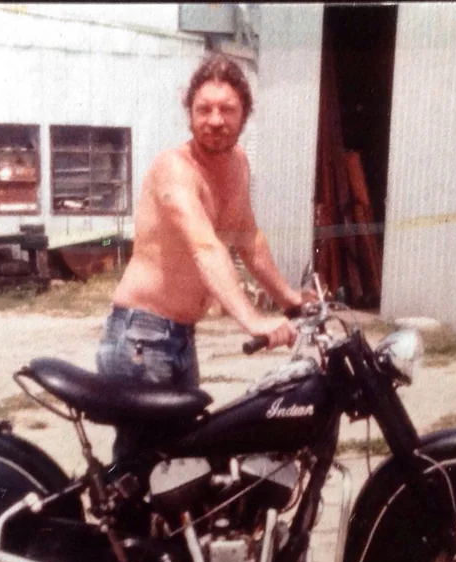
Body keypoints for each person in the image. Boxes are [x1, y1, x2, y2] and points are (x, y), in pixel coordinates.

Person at [97, 54, 307, 391]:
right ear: (190, 114)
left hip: (179, 335)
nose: (215, 119)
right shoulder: (174, 169)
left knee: (183, 444)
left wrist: (289, 299)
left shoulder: (238, 163)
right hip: (141, 335)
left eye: (227, 109)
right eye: (204, 109)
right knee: (148, 445)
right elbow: (205, 247)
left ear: (244, 114)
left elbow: (247, 238)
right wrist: (253, 320)